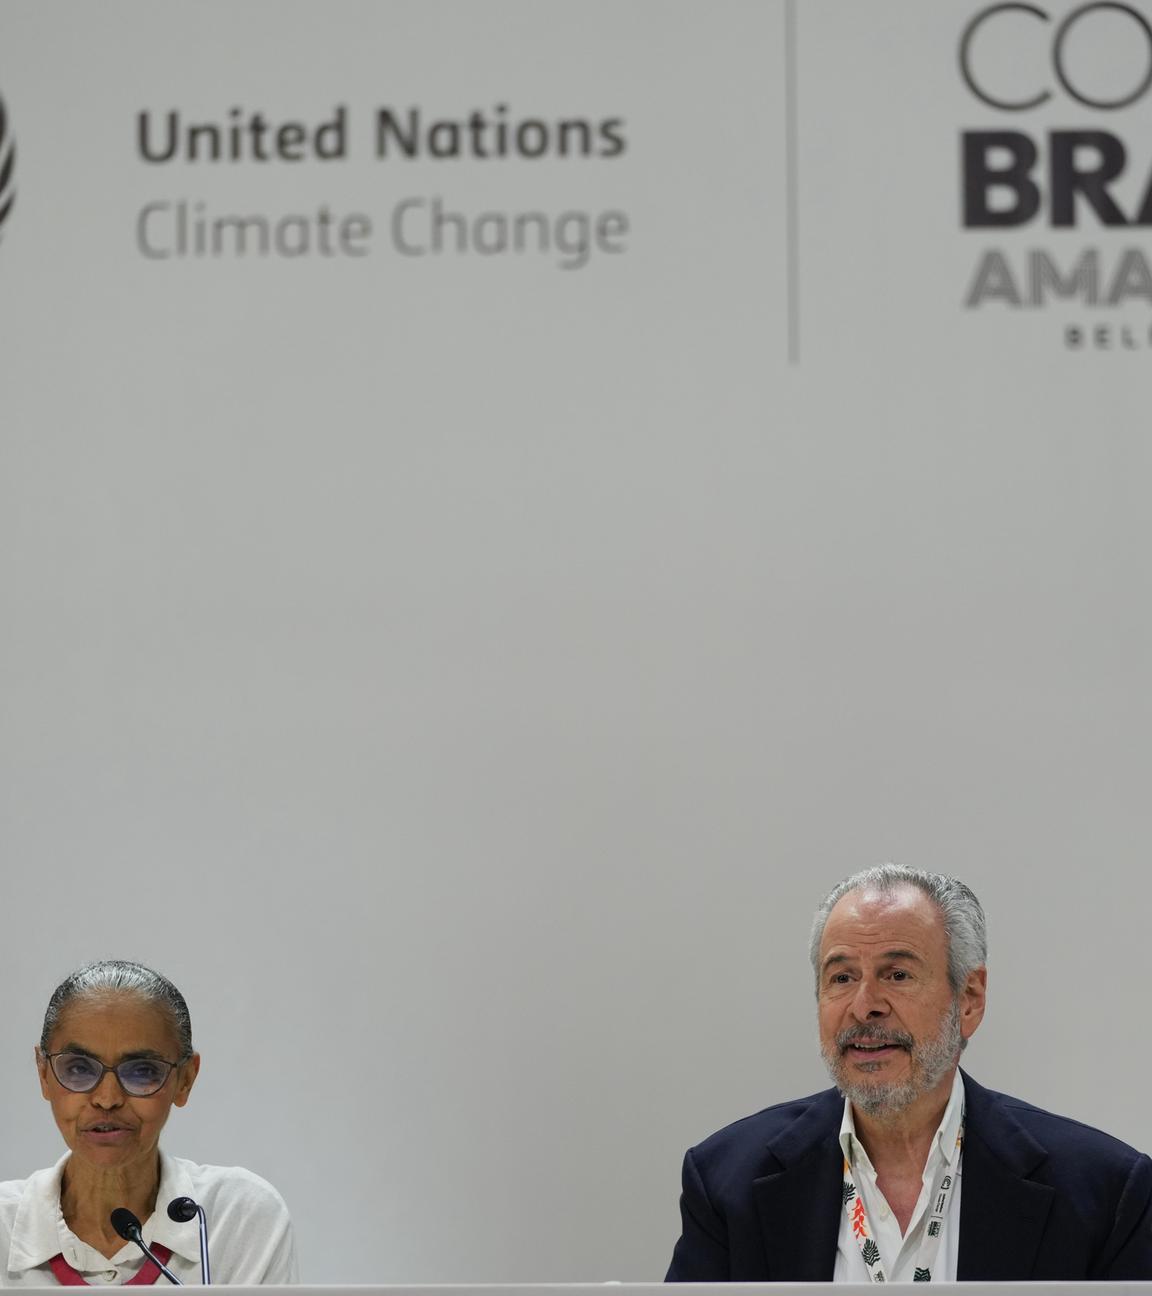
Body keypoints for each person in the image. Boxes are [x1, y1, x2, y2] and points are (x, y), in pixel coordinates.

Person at [665, 864, 1152, 1282]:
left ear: (969, 1000)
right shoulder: (728, 1182)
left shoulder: (1102, 1193)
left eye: (896, 975)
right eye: (842, 977)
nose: (864, 1006)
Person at [0, 960, 298, 1285]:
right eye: (79, 1069)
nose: (107, 1098)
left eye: (142, 1071)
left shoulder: (235, 1219)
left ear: (185, 1080)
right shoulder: (5, 1226)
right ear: (44, 1074)